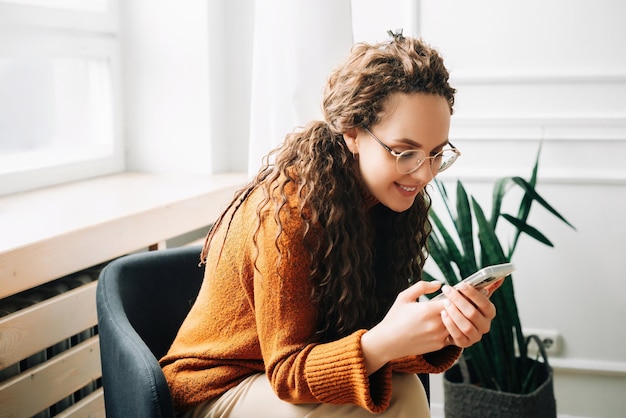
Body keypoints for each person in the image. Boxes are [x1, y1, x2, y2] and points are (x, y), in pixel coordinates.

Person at [160, 30, 497, 417]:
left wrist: (441, 333)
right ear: (352, 133)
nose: (423, 175)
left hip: (277, 382)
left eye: (436, 154)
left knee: (404, 392)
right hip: (213, 389)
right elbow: (289, 375)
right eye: (405, 152)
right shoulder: (288, 214)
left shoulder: (391, 202)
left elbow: (360, 340)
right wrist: (382, 343)